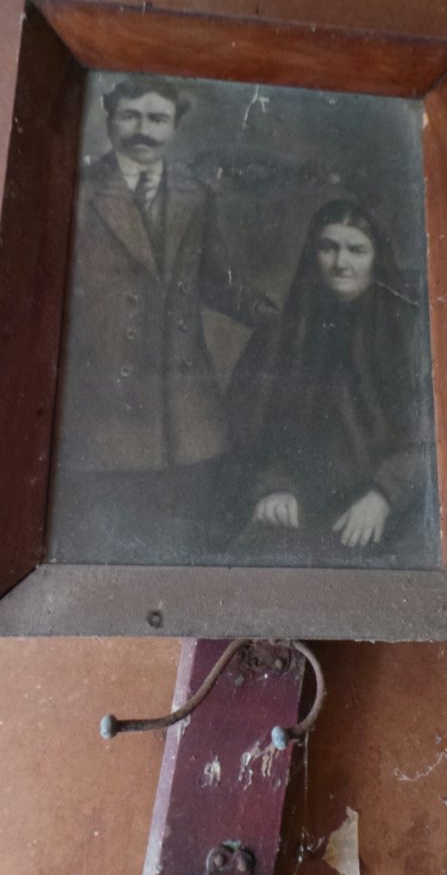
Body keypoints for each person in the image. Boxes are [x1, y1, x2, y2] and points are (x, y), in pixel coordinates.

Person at [48, 74, 276, 564]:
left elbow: (218, 282)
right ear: (110, 119)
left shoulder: (195, 194)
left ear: (174, 126)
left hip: (186, 416)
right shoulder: (78, 191)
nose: (143, 131)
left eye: (157, 119)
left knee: (184, 549)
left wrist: (281, 320)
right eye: (130, 116)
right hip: (104, 413)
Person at [248, 199, 437, 566]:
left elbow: (430, 433)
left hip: (393, 503)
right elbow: (262, 428)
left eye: (356, 250)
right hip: (304, 500)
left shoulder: (409, 329)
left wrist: (384, 494)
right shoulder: (290, 329)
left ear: (376, 257)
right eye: (328, 247)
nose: (340, 263)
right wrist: (275, 485)